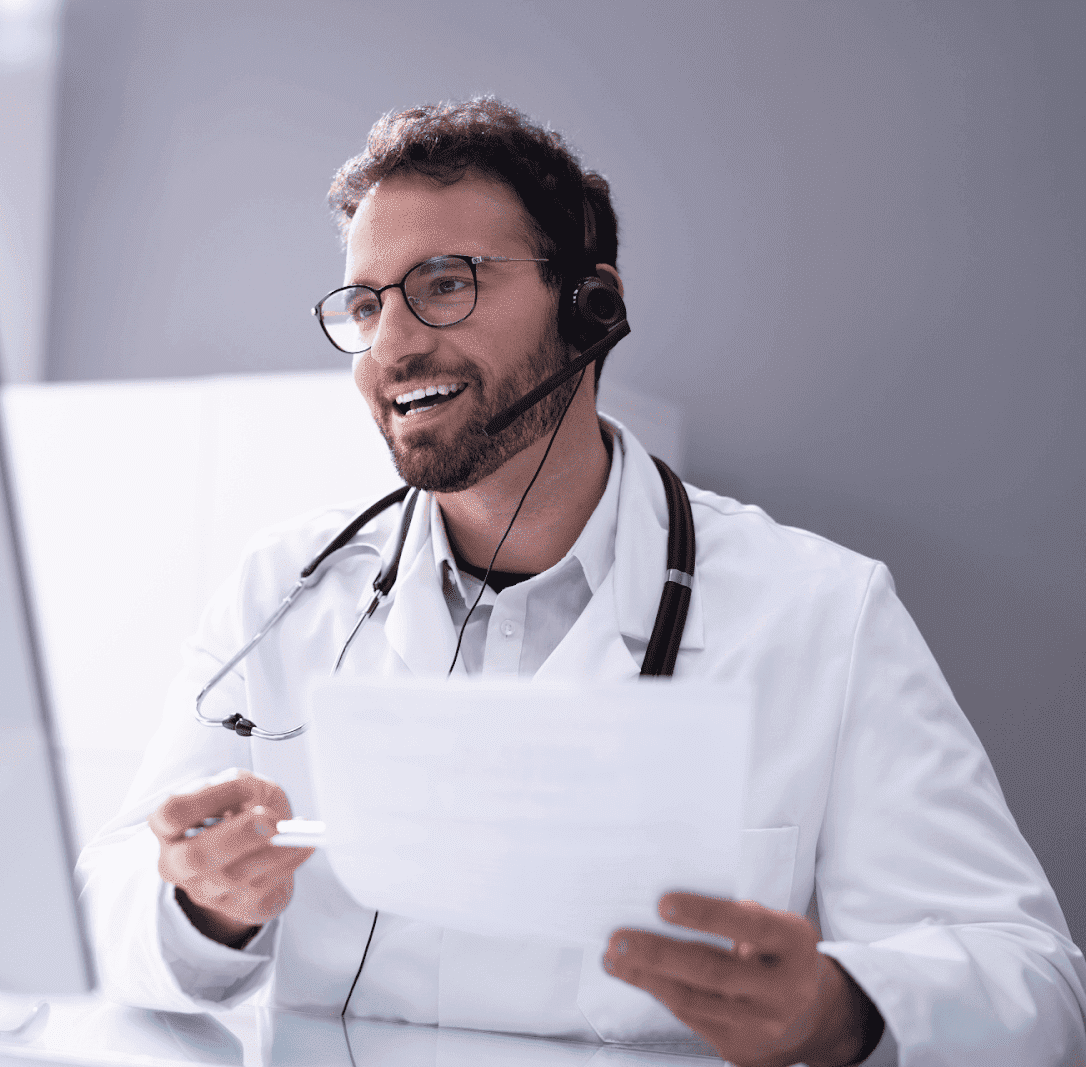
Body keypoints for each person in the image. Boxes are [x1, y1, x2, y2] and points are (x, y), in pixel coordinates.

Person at [75, 97, 1086, 1065]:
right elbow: (100, 907)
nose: (393, 345)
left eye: (445, 283)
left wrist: (838, 1009)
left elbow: (1034, 984)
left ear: (589, 305)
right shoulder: (281, 590)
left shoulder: (821, 612)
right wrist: (201, 904)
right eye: (366, 304)